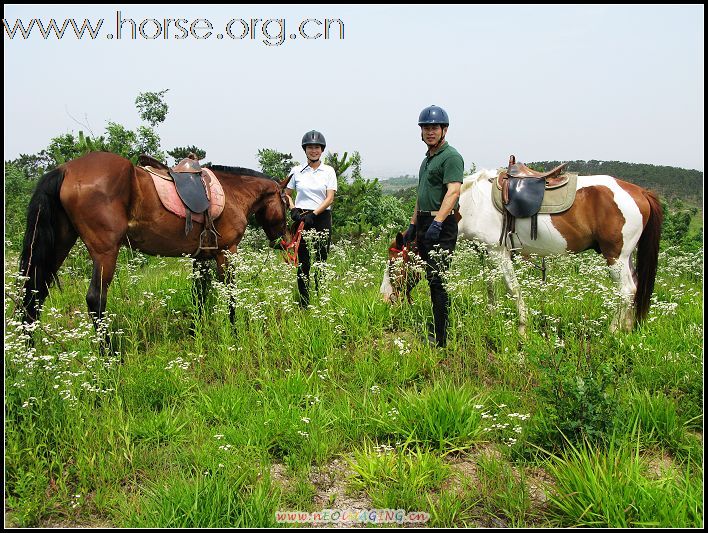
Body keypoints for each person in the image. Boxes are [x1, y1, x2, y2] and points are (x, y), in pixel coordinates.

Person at [404, 105, 464, 347]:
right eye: (426, 128)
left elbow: (454, 191)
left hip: (443, 224)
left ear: (444, 130)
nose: (430, 132)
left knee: (438, 280)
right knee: (430, 277)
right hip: (425, 222)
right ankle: (437, 328)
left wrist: (438, 222)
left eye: (434, 128)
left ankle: (441, 340)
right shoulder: (427, 160)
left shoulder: (451, 157)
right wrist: (412, 224)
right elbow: (421, 194)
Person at [285, 130, 338, 308]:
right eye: (310, 147)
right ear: (305, 150)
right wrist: (293, 209)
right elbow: (286, 194)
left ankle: (321, 300)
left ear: (321, 150)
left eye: (316, 147)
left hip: (321, 217)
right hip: (301, 217)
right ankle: (304, 303)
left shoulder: (328, 171)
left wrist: (314, 214)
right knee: (303, 262)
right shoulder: (296, 170)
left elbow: (329, 197)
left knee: (321, 260)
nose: (313, 151)